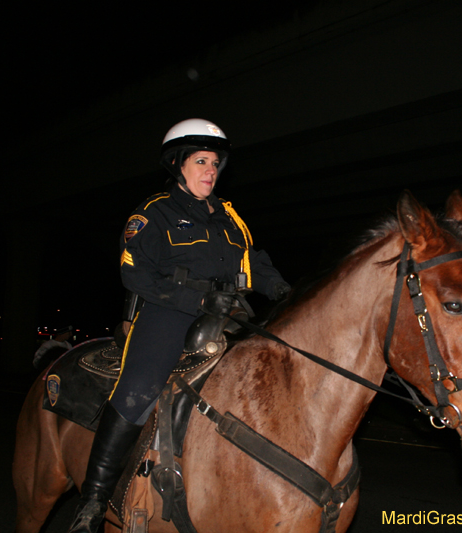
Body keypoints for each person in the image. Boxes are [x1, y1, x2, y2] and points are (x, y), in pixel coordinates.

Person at [68, 119, 290, 533]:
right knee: (139, 389)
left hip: (231, 312)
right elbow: (136, 275)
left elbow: (253, 263)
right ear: (178, 165)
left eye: (216, 163)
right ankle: (94, 501)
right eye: (201, 161)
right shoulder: (154, 213)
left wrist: (282, 290)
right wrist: (199, 299)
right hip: (168, 311)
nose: (211, 170)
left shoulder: (229, 217)